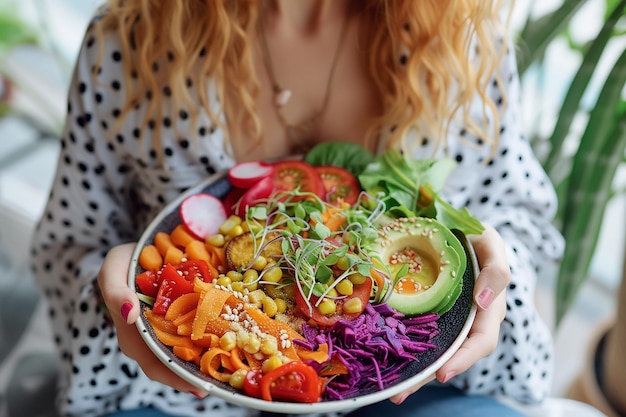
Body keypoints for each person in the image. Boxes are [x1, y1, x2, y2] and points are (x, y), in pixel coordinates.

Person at [30, 1, 564, 416]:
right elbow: (66, 245)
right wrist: (122, 288)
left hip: (412, 392)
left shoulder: (463, 35)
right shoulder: (129, 36)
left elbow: (524, 218)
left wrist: (495, 266)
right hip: (177, 398)